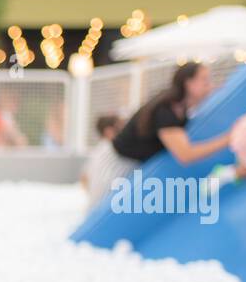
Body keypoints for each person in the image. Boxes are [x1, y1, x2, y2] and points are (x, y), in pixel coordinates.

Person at [93, 62, 232, 196]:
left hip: (126, 161)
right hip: (116, 163)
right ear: (189, 84)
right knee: (101, 212)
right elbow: (186, 154)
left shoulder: (178, 108)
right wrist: (228, 138)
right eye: (205, 81)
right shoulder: (167, 111)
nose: (210, 86)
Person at [79, 114, 123, 210]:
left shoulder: (97, 152)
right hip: (107, 207)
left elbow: (83, 179)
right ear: (109, 131)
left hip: (93, 207)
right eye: (120, 126)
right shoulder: (115, 149)